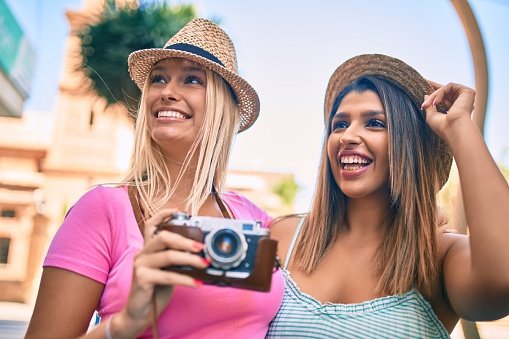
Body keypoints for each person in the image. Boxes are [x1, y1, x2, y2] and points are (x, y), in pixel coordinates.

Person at [25, 18, 284, 339]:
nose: (167, 92)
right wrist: (125, 323)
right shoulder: (102, 209)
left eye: (192, 80)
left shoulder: (258, 220)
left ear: (224, 107)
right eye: (159, 79)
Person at [266, 54, 509, 338]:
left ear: (408, 146)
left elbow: (502, 281)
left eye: (375, 124)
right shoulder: (282, 238)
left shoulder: (440, 258)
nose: (347, 136)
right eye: (339, 125)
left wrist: (458, 127)